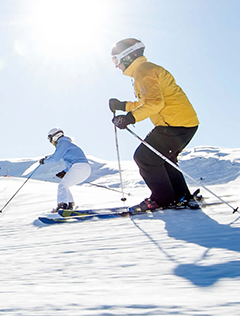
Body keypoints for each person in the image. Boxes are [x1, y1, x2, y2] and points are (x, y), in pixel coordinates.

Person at [109, 38, 199, 210]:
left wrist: (129, 118)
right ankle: (180, 196)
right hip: (180, 122)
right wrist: (123, 106)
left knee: (145, 157)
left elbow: (155, 104)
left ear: (126, 57)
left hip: (174, 124)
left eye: (115, 60)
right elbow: (147, 102)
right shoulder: (144, 71)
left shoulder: (144, 72)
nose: (116, 65)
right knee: (164, 159)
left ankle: (163, 199)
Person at [39, 128, 92, 212]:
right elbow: (72, 161)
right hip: (85, 168)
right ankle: (70, 204)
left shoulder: (62, 143)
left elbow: (55, 158)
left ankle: (62, 205)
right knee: (65, 185)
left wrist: (44, 161)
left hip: (79, 166)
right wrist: (65, 172)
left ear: (55, 136)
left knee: (62, 185)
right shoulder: (67, 143)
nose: (51, 142)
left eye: (50, 139)